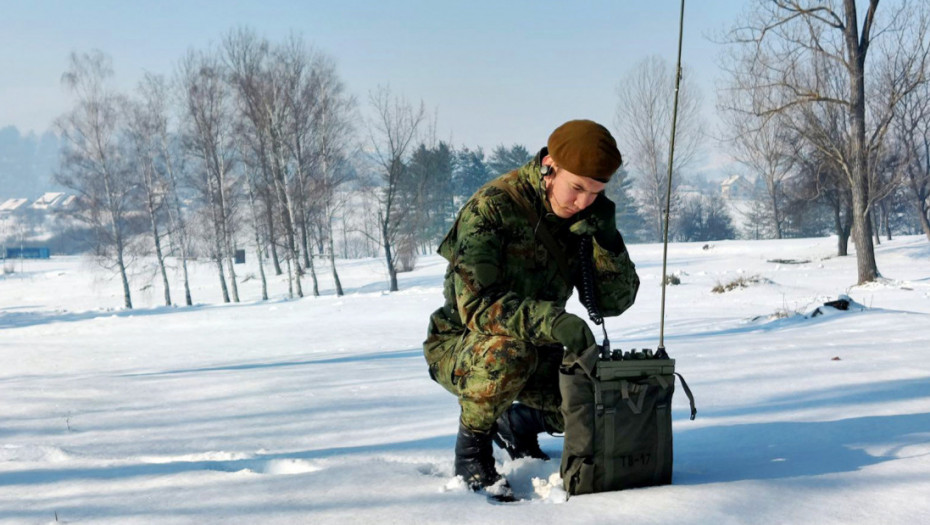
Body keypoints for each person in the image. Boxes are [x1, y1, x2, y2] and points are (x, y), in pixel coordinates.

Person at [422, 119, 640, 494]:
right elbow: (477, 305)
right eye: (577, 188)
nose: (584, 202)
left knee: (594, 395)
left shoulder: (582, 217)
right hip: (464, 345)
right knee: (511, 352)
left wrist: (608, 241)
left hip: (538, 348)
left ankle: (518, 421)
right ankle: (472, 449)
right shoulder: (492, 208)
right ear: (550, 166)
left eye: (596, 192)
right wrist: (552, 321)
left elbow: (615, 303)